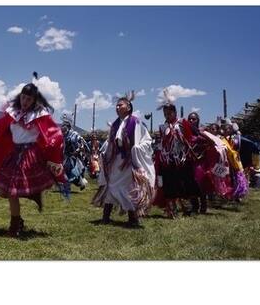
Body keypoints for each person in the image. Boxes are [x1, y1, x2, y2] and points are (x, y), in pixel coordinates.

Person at [0, 73, 65, 236]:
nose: (25, 101)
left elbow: (54, 134)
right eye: (23, 97)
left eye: (29, 99)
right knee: (4, 192)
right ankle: (22, 213)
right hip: (13, 155)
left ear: (34, 100)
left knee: (13, 191)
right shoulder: (12, 113)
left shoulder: (40, 115)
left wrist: (52, 153)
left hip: (30, 156)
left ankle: (15, 225)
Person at [92, 93, 156, 227]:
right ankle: (106, 217)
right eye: (116, 106)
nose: (117, 107)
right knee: (111, 185)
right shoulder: (115, 125)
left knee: (130, 189)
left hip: (130, 162)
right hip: (116, 162)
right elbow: (111, 143)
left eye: (120, 105)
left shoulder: (135, 122)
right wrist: (105, 154)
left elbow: (147, 140)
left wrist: (137, 149)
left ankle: (133, 218)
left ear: (128, 107)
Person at [154, 100, 200, 218]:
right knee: (169, 184)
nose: (167, 116)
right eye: (165, 114)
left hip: (182, 159)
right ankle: (172, 211)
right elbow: (162, 144)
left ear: (175, 112)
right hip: (167, 161)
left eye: (169, 113)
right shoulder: (163, 127)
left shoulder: (182, 123)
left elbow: (192, 137)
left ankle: (189, 208)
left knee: (184, 184)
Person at [61, 115, 89, 190]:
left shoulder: (75, 134)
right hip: (66, 155)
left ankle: (79, 183)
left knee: (74, 170)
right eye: (63, 126)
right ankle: (68, 185)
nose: (64, 127)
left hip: (74, 155)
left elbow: (82, 142)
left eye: (66, 126)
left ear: (69, 127)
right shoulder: (63, 135)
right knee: (66, 170)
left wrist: (78, 149)